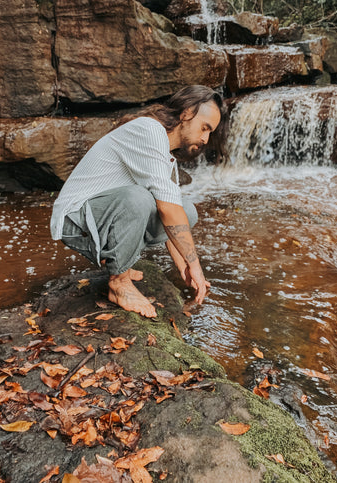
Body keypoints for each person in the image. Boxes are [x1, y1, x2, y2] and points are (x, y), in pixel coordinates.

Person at [50, 85, 222, 318]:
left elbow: (171, 211)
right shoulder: (148, 130)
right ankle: (118, 282)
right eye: (205, 128)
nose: (205, 138)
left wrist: (184, 266)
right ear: (186, 113)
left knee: (186, 209)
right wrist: (197, 266)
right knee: (139, 198)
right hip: (75, 221)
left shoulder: (165, 155)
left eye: (210, 132)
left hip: (98, 217)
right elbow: (166, 209)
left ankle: (122, 262)